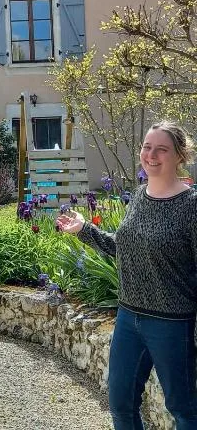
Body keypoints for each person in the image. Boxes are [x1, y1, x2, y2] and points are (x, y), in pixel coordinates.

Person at [56, 121, 197, 430]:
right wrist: (85, 230)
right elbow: (124, 249)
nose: (151, 155)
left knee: (184, 409)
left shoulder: (191, 207)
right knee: (120, 404)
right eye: (147, 147)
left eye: (162, 149)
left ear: (179, 156)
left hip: (171, 324)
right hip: (128, 318)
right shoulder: (139, 196)